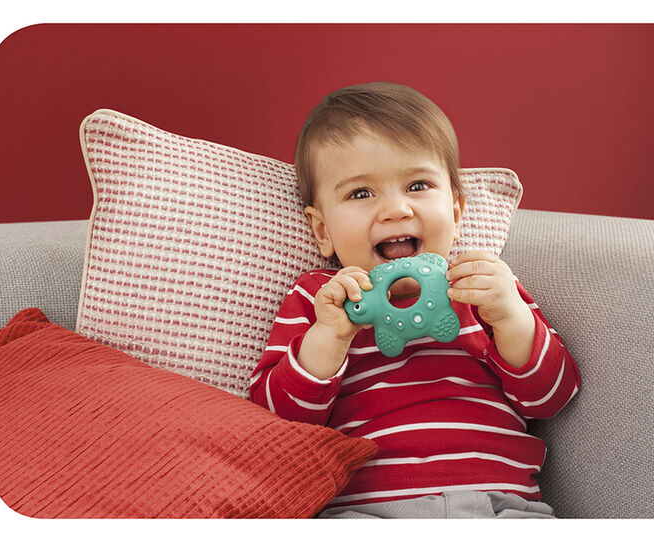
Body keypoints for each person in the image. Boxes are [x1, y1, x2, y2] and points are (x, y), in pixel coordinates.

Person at [249, 82, 580, 518]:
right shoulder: (319, 299)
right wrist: (328, 338)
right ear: (322, 230)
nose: (396, 210)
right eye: (360, 193)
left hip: (500, 505)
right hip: (365, 512)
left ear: (457, 212)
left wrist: (512, 318)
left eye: (418, 185)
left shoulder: (484, 287)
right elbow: (276, 422)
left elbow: (552, 398)